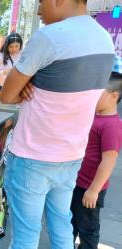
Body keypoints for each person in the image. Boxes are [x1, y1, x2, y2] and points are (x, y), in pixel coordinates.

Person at [0, 0, 115, 247]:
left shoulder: (49, 37)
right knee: (62, 223)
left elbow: (7, 95)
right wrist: (33, 83)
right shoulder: (105, 40)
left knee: (26, 234)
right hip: (71, 155)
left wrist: (28, 84)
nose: (40, 10)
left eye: (41, 2)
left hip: (33, 156)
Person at [71, 73, 122, 249]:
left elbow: (109, 161)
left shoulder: (112, 125)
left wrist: (93, 190)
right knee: (71, 223)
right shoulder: (94, 116)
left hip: (90, 187)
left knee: (88, 230)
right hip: (77, 183)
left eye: (98, 93)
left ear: (114, 96)